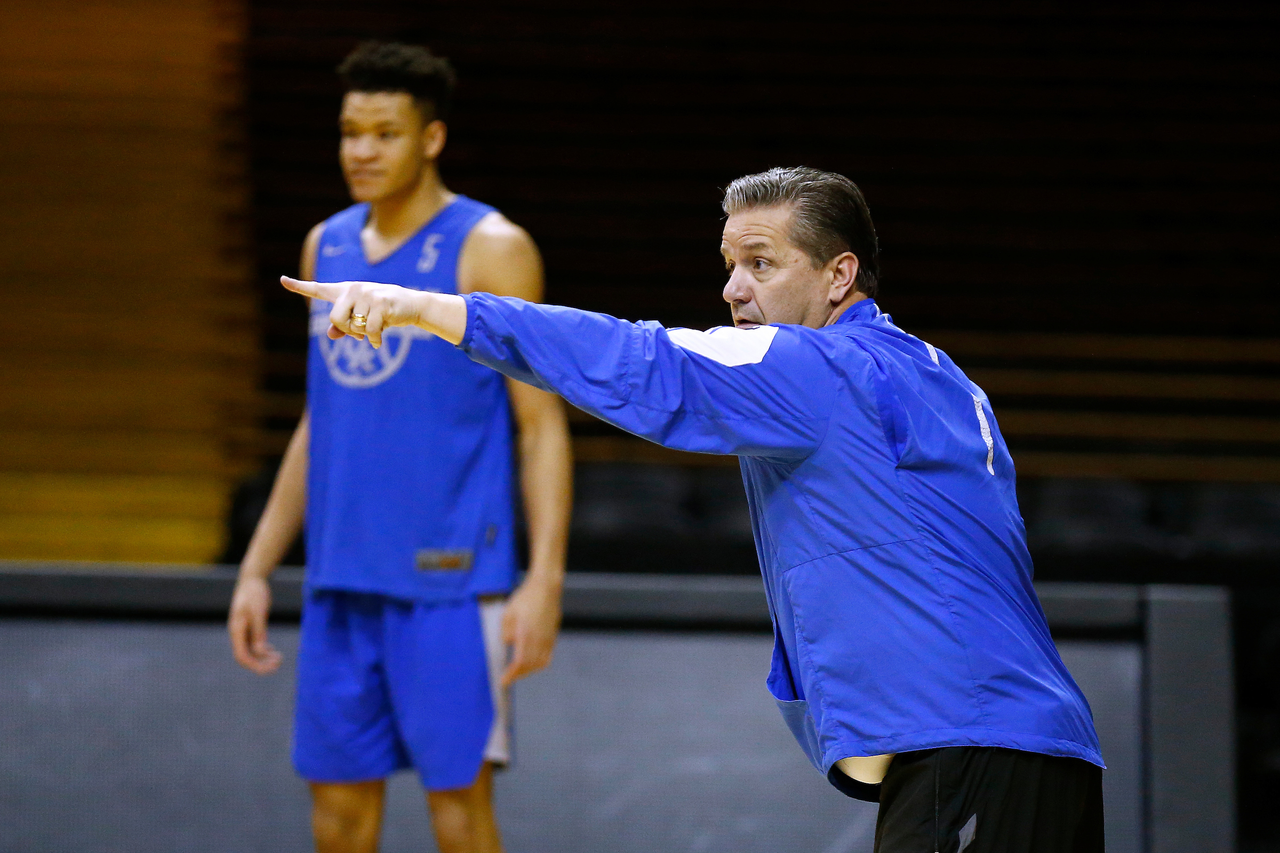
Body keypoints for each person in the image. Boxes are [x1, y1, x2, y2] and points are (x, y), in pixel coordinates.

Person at [284, 165, 1106, 852]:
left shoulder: (818, 366)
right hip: (1038, 744)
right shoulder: (936, 371)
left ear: (839, 275)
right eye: (727, 263)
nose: (731, 288)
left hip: (967, 737)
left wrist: (431, 308)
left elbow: (643, 361)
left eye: (760, 262)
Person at [227, 42, 573, 853]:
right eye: (350, 131)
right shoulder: (326, 247)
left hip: (451, 586)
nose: (361, 150)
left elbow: (539, 424)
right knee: (339, 822)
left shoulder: (492, 248)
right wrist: (255, 566)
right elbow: (323, 418)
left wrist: (545, 579)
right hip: (341, 580)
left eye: (384, 132)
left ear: (431, 138)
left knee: (459, 819)